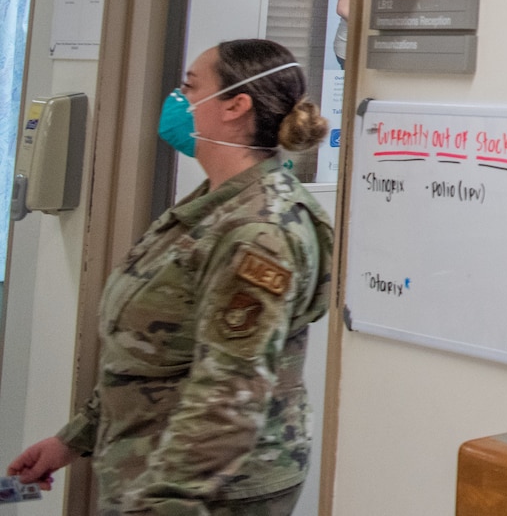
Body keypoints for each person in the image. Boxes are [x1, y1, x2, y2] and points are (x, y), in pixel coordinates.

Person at [10, 40, 334, 514]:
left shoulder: (258, 231)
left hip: (208, 493)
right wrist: (74, 439)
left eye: (189, 86)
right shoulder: (215, 204)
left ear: (235, 106)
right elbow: (153, 351)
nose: (176, 100)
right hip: (152, 467)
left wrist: (165, 503)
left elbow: (229, 391)